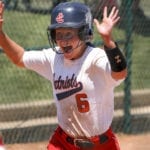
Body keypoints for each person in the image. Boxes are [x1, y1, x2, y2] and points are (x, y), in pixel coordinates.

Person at [0, 1, 127, 150]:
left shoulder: (95, 57)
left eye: (68, 33)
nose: (63, 40)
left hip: (100, 145)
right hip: (63, 143)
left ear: (84, 33)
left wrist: (108, 41)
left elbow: (120, 73)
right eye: (58, 34)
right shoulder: (54, 58)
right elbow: (20, 58)